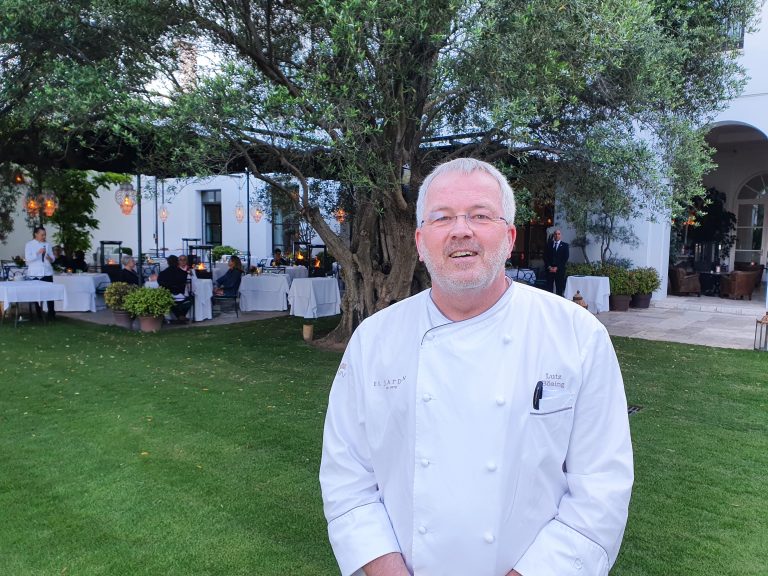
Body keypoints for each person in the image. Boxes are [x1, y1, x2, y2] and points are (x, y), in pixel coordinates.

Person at [320, 158, 633, 576]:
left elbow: (602, 487)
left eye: (480, 215)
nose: (461, 230)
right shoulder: (373, 340)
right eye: (442, 217)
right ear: (420, 241)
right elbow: (346, 475)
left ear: (509, 236)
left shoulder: (578, 336)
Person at [24, 226, 56, 320]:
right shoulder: (29, 244)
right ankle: (39, 314)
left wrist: (49, 258)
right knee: (36, 294)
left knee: (50, 293)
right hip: (35, 273)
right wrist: (38, 253)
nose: (44, 236)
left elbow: (53, 258)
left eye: (45, 234)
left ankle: (51, 314)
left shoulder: (47, 244)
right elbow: (27, 259)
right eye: (42, 235)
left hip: (46, 272)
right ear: (36, 234)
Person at [157, 255, 191, 322]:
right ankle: (182, 315)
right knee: (191, 297)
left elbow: (160, 283)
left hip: (168, 296)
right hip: (181, 295)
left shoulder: (162, 273)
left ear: (168, 262)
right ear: (177, 262)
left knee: (169, 300)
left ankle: (179, 315)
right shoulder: (183, 273)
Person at [543, 228, 569, 297]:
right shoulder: (548, 244)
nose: (557, 235)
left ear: (561, 235)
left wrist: (557, 268)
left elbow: (565, 258)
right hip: (549, 270)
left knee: (559, 289)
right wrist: (549, 267)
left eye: (558, 234)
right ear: (553, 235)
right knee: (549, 289)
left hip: (559, 270)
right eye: (555, 234)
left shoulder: (565, 245)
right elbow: (545, 256)